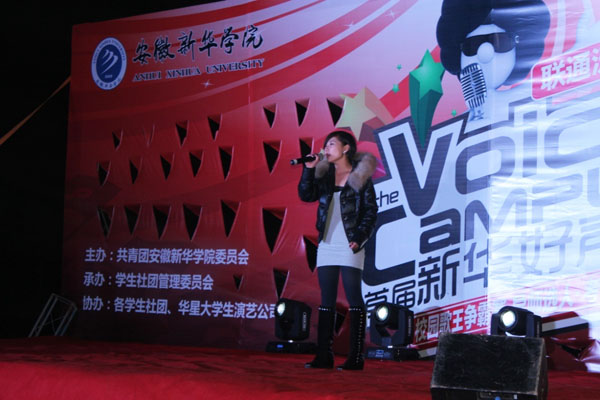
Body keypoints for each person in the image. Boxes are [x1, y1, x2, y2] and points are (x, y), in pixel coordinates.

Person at [297, 130, 378, 371]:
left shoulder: (361, 177)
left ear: (345, 148)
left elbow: (371, 212)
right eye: (325, 144)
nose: (326, 148)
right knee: (327, 299)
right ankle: (324, 355)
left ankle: (356, 357)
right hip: (328, 243)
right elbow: (306, 195)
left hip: (351, 243)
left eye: (331, 144)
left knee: (353, 297)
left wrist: (360, 238)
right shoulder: (324, 175)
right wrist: (308, 169)